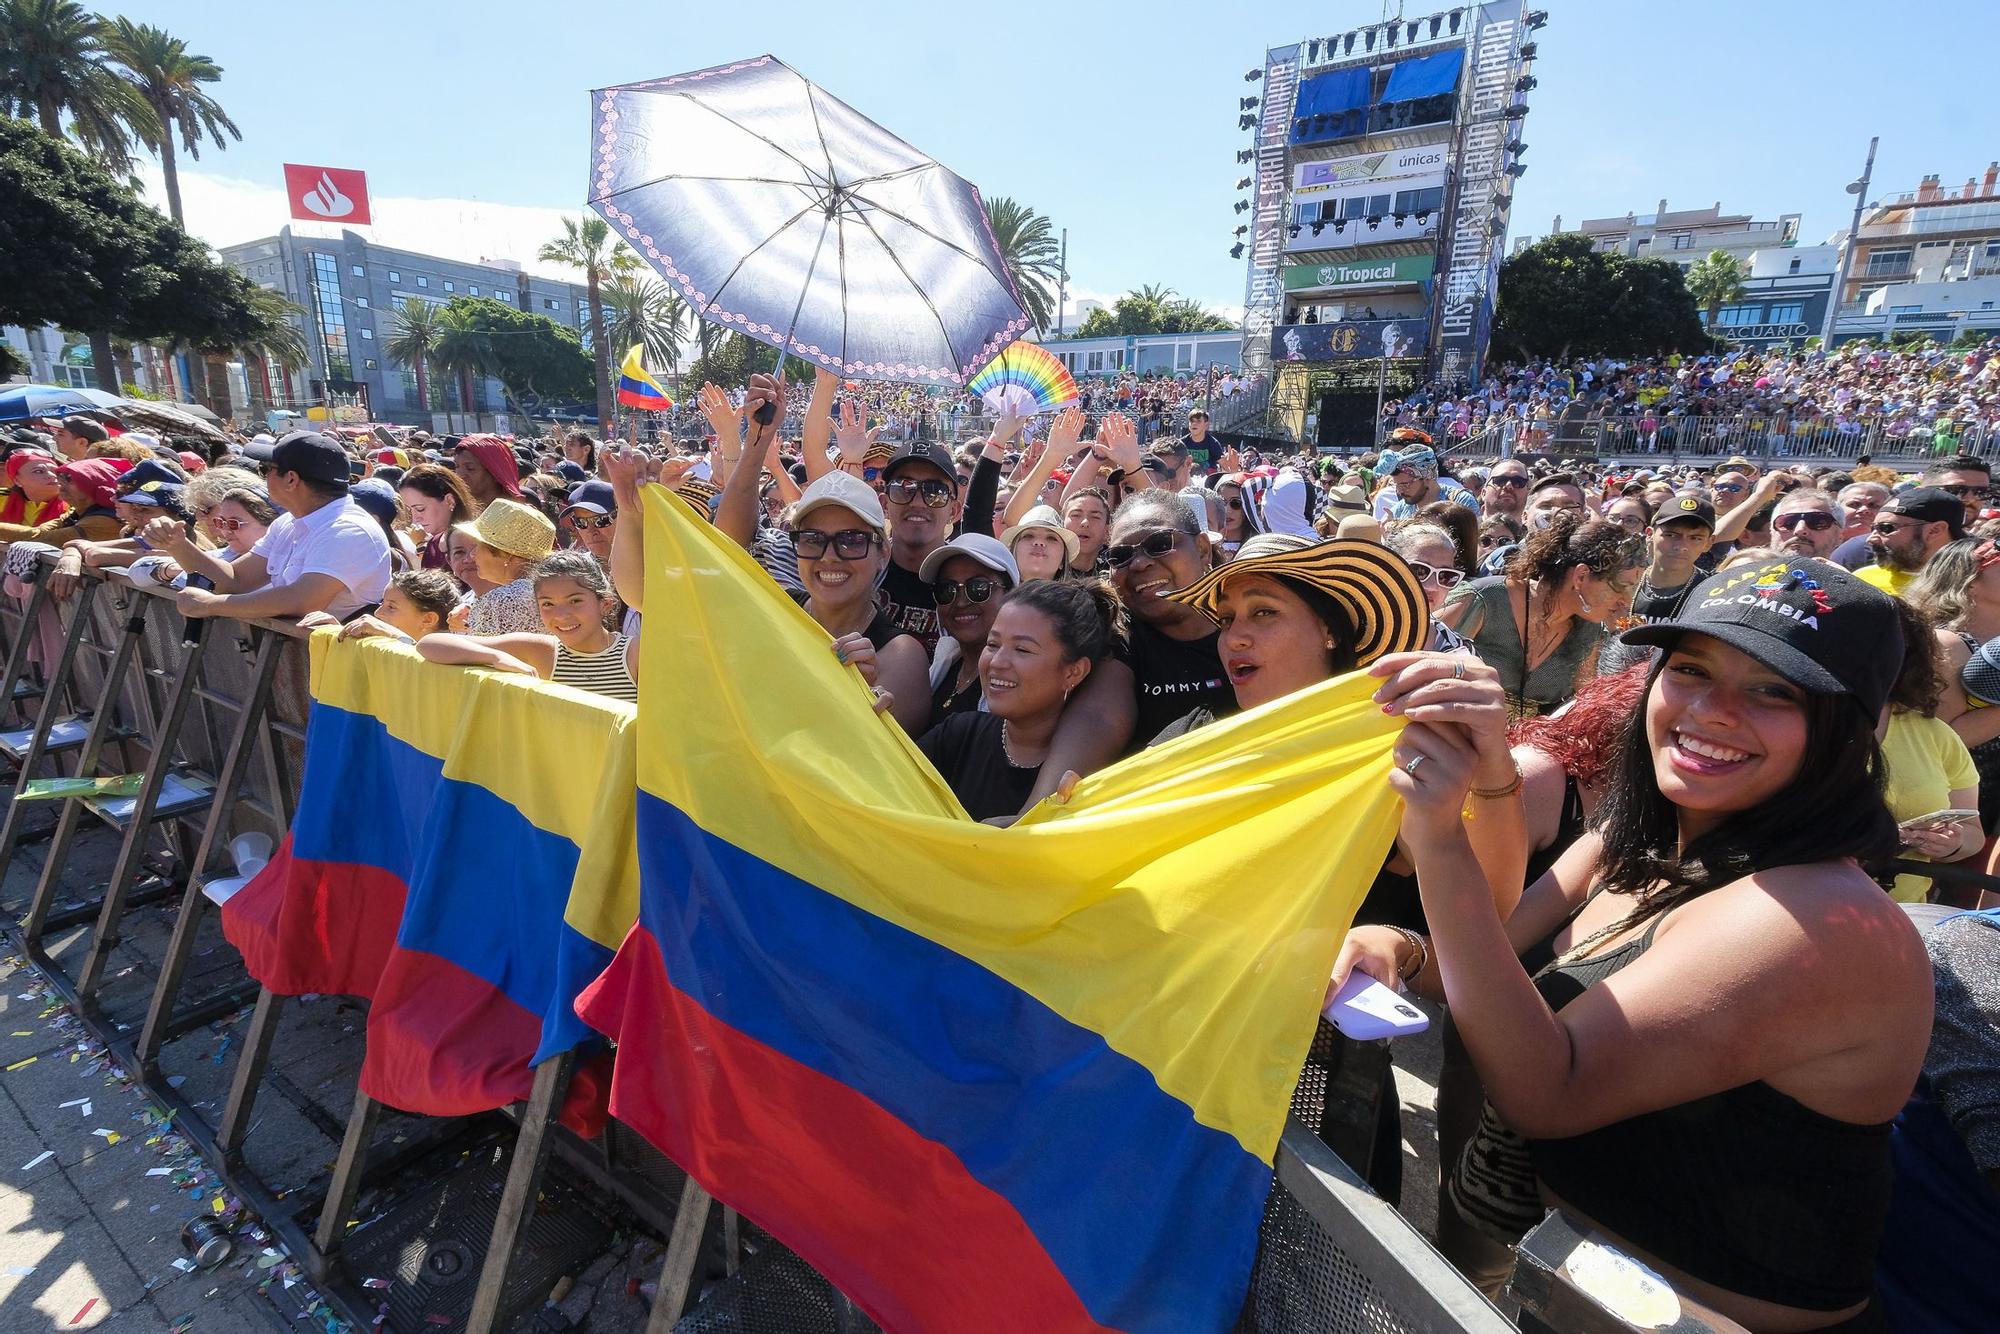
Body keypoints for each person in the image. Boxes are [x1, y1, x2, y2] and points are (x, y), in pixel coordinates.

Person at [1339, 557, 1932, 1328]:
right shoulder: (1636, 837)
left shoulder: (1816, 920)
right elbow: (1481, 962)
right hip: (1563, 1284)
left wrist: (1441, 840)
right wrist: (1398, 945)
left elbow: (1546, 1090)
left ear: (1860, 725)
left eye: (1773, 690)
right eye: (1691, 670)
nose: (1712, 711)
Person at [917, 580, 1125, 822]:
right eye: (993, 644)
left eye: (1022, 650)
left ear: (1074, 672)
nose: (997, 662)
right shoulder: (958, 735)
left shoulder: (1088, 778)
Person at [168, 432, 391, 624]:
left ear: (291, 480)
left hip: (338, 668)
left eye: (268, 469)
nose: (263, 476)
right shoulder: (289, 523)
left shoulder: (348, 530)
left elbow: (301, 601)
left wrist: (212, 605)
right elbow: (235, 579)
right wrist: (177, 545)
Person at [1438, 513, 1644, 718]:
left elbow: (1583, 709)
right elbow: (1422, 660)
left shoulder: (1589, 633)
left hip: (1523, 747)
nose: (1625, 600)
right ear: (1581, 576)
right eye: (1622, 587)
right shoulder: (1485, 599)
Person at [784, 469, 931, 735]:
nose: (829, 557)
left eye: (851, 540)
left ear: (883, 554)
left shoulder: (901, 655)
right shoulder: (775, 607)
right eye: (813, 540)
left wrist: (858, 696)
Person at [413, 551, 637, 703]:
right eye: (548, 604)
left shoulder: (635, 654)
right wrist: (496, 658)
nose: (561, 615)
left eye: (575, 601)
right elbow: (430, 643)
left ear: (605, 604)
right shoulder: (542, 651)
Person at [1878, 599, 1980, 903]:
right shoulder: (1803, 726)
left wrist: (1952, 843)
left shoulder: (1935, 734)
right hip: (1808, 913)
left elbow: (1972, 831)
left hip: (1904, 916)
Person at [921, 533, 1019, 725]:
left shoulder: (1018, 679)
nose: (961, 601)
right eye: (946, 590)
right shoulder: (942, 666)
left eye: (978, 588)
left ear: (1010, 594)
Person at [876, 441, 964, 653]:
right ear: (885, 504)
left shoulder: (970, 586)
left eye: (935, 491)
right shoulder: (862, 569)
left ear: (954, 510)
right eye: (903, 488)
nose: (917, 502)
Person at [454, 497, 558, 635]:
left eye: (477, 546)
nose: (472, 555)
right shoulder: (554, 589)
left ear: (507, 554)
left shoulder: (500, 601)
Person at [306, 567, 460, 643]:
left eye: (391, 607)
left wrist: (391, 633)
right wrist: (337, 632)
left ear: (428, 620)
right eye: (382, 603)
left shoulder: (453, 657)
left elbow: (423, 659)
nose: (377, 613)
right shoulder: (384, 645)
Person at [1627, 496, 1716, 625]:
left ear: (1709, 543)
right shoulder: (1623, 583)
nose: (1681, 546)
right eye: (1670, 535)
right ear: (1650, 534)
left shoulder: (1713, 592)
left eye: (1695, 538)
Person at [1861, 486, 1964, 597]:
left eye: (1886, 528)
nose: (1870, 539)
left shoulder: (1974, 584)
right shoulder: (1863, 581)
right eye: (1873, 529)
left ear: (1935, 531)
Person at [1385, 523, 1471, 653]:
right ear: (1388, 566)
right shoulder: (1348, 624)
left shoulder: (1456, 650)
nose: (1432, 587)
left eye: (1445, 576)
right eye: (1419, 570)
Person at [398, 463, 480, 570]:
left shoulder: (478, 545)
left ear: (449, 501)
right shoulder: (433, 544)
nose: (415, 518)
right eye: (409, 511)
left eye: (420, 509)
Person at [1000, 505, 1077, 583]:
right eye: (1028, 535)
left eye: (1051, 538)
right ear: (1013, 551)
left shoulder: (1079, 595)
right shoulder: (991, 593)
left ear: (1062, 561)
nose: (1039, 542)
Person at [1769, 488, 1844, 562]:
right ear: (1772, 532)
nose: (1800, 530)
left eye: (1816, 522)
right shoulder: (1756, 571)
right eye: (1787, 522)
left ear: (1839, 535)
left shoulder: (1850, 574)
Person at [453, 434, 524, 506]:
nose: (459, 475)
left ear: (496, 473)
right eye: (456, 466)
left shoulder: (516, 514)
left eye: (470, 468)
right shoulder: (451, 511)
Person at [559, 480, 618, 565]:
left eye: (601, 520)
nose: (591, 531)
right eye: (580, 522)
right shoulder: (576, 570)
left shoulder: (642, 561)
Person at [0, 452, 64, 530]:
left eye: (55, 471)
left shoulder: (76, 504)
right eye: (38, 471)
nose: (52, 475)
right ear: (17, 481)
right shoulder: (3, 498)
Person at [1061, 489, 1111, 574]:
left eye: (1095, 517)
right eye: (1076, 515)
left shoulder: (1114, 575)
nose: (1085, 523)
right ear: (1061, 525)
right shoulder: (1043, 567)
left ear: (1107, 532)